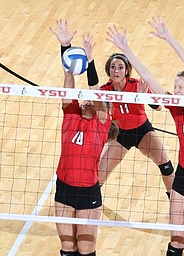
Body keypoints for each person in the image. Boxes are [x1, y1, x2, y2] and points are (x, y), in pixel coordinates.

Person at [105, 16, 184, 256]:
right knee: (176, 241)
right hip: (183, 178)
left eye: (180, 87)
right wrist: (126, 50)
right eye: (174, 87)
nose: (175, 91)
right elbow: (150, 79)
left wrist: (168, 38)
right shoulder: (176, 109)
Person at [50, 19, 119, 256]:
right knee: (68, 248)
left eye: (92, 100)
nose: (86, 99)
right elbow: (69, 88)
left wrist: (89, 61)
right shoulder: (71, 116)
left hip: (88, 191)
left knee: (87, 248)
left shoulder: (101, 124)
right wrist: (65, 50)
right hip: (64, 189)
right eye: (85, 99)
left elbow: (96, 92)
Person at [97, 52, 174, 198]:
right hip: (120, 135)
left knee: (165, 164)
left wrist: (145, 97)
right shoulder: (104, 90)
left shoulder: (137, 84)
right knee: (99, 175)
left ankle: (176, 200)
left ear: (126, 71)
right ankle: (91, 202)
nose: (116, 70)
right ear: (109, 71)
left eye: (120, 67)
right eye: (113, 67)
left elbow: (158, 107)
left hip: (142, 131)